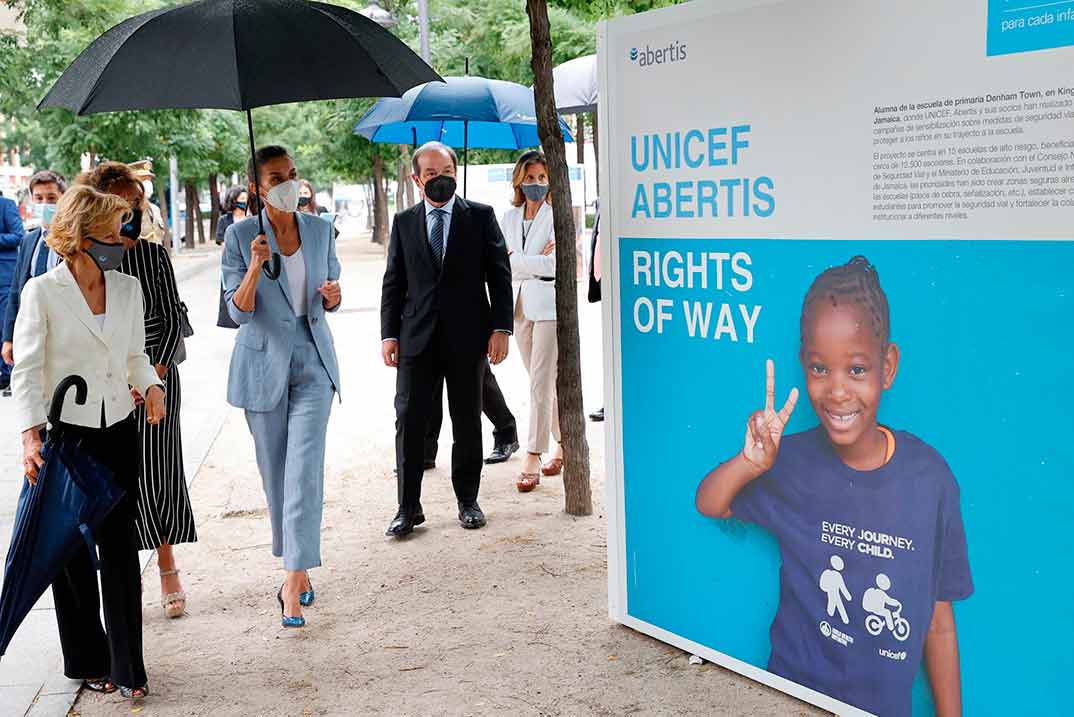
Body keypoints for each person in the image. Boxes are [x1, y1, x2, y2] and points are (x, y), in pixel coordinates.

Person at [694, 257, 972, 717]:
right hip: (790, 697)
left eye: (857, 370)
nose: (838, 391)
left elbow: (938, 622)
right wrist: (750, 462)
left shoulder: (931, 479)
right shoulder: (791, 461)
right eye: (820, 369)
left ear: (888, 367)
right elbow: (710, 502)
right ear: (804, 366)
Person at [12, 185, 165, 701]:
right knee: (73, 556)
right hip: (67, 436)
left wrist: (151, 386)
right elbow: (27, 370)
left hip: (119, 430)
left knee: (120, 550)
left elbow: (135, 356)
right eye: (114, 229)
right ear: (82, 234)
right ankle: (86, 659)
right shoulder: (43, 291)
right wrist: (31, 436)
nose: (123, 239)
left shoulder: (128, 289)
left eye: (125, 228)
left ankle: (129, 667)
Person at [221, 145, 342, 628]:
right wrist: (253, 266)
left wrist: (333, 296)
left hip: (314, 362)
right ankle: (297, 563)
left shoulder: (319, 229)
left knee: (304, 470)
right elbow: (237, 311)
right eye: (276, 177)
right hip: (261, 366)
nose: (289, 183)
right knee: (276, 475)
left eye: (292, 174)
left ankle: (293, 580)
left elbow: (329, 291)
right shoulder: (239, 235)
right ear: (257, 187)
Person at [83, 162, 197, 620]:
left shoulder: (152, 256)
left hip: (156, 379)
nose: (130, 212)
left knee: (157, 473)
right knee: (110, 484)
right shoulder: (80, 260)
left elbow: (171, 320)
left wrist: (151, 376)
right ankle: (120, 576)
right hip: (99, 388)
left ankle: (167, 564)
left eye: (136, 203)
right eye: (121, 204)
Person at [381, 141, 512, 537]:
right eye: (432, 174)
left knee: (467, 420)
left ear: (457, 172)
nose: (441, 180)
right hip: (415, 339)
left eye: (447, 172)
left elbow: (499, 276)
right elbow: (393, 282)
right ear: (416, 178)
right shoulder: (403, 222)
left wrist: (500, 328)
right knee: (409, 419)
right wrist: (388, 334)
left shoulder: (481, 217)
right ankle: (407, 508)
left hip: (467, 338)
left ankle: (468, 501)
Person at [500, 151, 562, 492]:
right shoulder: (508, 218)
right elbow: (502, 264)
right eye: (531, 178)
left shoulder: (556, 216)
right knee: (541, 381)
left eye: (542, 178)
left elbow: (555, 267)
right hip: (519, 306)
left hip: (549, 308)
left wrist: (519, 260)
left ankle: (533, 454)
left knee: (539, 381)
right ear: (519, 181)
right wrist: (531, 261)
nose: (537, 184)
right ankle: (564, 440)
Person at [3, 171, 66, 397]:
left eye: (51, 198)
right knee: (34, 398)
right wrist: (8, 337)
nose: (44, 204)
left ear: (63, 199)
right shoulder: (30, 240)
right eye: (38, 198)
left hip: (64, 336)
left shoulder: (74, 240)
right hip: (31, 335)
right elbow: (15, 291)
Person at [0, 190, 25, 394]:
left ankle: (10, 376)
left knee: (5, 326)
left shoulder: (6, 205)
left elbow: (18, 236)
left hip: (5, 277)